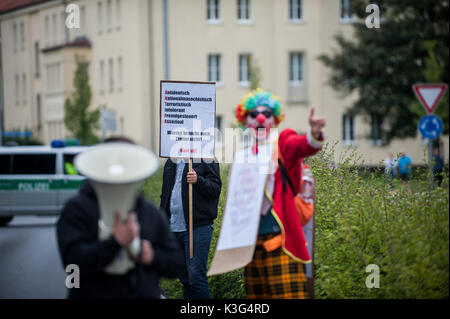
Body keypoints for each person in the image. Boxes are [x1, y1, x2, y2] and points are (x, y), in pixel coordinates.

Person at [56, 136, 184, 298]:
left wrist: (152, 256)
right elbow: (72, 263)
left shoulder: (148, 211)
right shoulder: (77, 209)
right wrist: (115, 243)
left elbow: (177, 263)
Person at [235, 88, 325, 299]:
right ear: (245, 119)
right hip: (252, 249)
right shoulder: (244, 156)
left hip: (281, 244)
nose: (260, 117)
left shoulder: (283, 142)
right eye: (254, 113)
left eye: (266, 113)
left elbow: (303, 146)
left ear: (273, 119)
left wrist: (313, 135)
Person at [160, 157, 221, 299]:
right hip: (173, 227)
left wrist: (198, 180)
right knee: (185, 278)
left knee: (196, 277)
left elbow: (215, 189)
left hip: (198, 228)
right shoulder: (171, 161)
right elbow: (165, 194)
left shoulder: (206, 159)